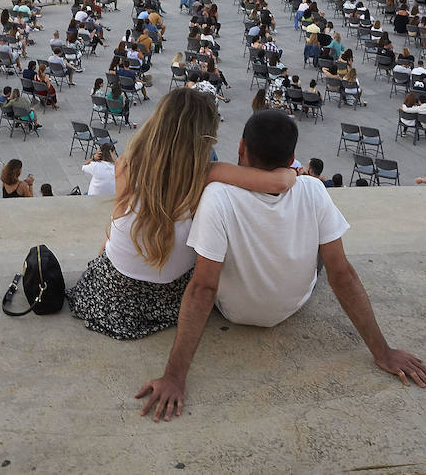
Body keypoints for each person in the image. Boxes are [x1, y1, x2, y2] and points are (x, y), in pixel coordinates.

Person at [135, 109, 426, 421]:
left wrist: (174, 376)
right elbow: (341, 274)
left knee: (205, 250)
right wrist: (383, 353)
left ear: (241, 148)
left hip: (235, 312)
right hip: (293, 303)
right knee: (327, 247)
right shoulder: (313, 188)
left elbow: (203, 288)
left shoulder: (217, 196)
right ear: (292, 156)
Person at [67, 88, 296, 342]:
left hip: (113, 295)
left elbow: (117, 222)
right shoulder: (207, 173)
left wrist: (100, 264)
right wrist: (295, 173)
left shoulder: (126, 164)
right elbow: (278, 182)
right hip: (169, 299)